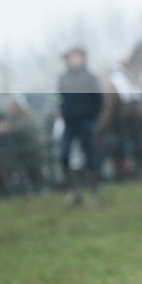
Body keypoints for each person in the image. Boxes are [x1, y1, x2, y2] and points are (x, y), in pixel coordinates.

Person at [57, 46, 103, 206]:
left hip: (86, 122)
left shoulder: (90, 78)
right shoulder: (63, 78)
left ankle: (92, 193)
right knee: (64, 155)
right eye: (71, 56)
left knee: (90, 157)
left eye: (77, 56)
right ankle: (73, 192)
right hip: (69, 124)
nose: (74, 59)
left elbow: (98, 101)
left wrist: (91, 117)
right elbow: (61, 98)